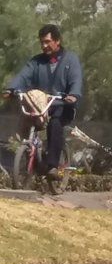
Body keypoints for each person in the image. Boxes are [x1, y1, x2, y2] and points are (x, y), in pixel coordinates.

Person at [3, 24, 83, 180]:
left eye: (47, 42)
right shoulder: (37, 62)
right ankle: (30, 162)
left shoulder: (70, 59)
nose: (44, 46)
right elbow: (23, 76)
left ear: (57, 41)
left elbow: (76, 79)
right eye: (42, 42)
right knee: (27, 123)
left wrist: (73, 95)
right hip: (41, 106)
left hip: (62, 105)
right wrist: (11, 89)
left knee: (55, 124)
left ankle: (52, 166)